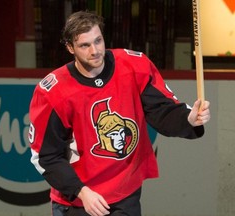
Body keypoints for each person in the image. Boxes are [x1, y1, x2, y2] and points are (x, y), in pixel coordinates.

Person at [28, 11, 211, 216]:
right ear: (70, 48)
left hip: (125, 193)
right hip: (78, 200)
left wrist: (189, 118)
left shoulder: (134, 66)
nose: (95, 50)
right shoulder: (53, 92)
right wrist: (81, 192)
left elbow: (161, 110)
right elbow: (45, 156)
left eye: (98, 41)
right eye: (84, 45)